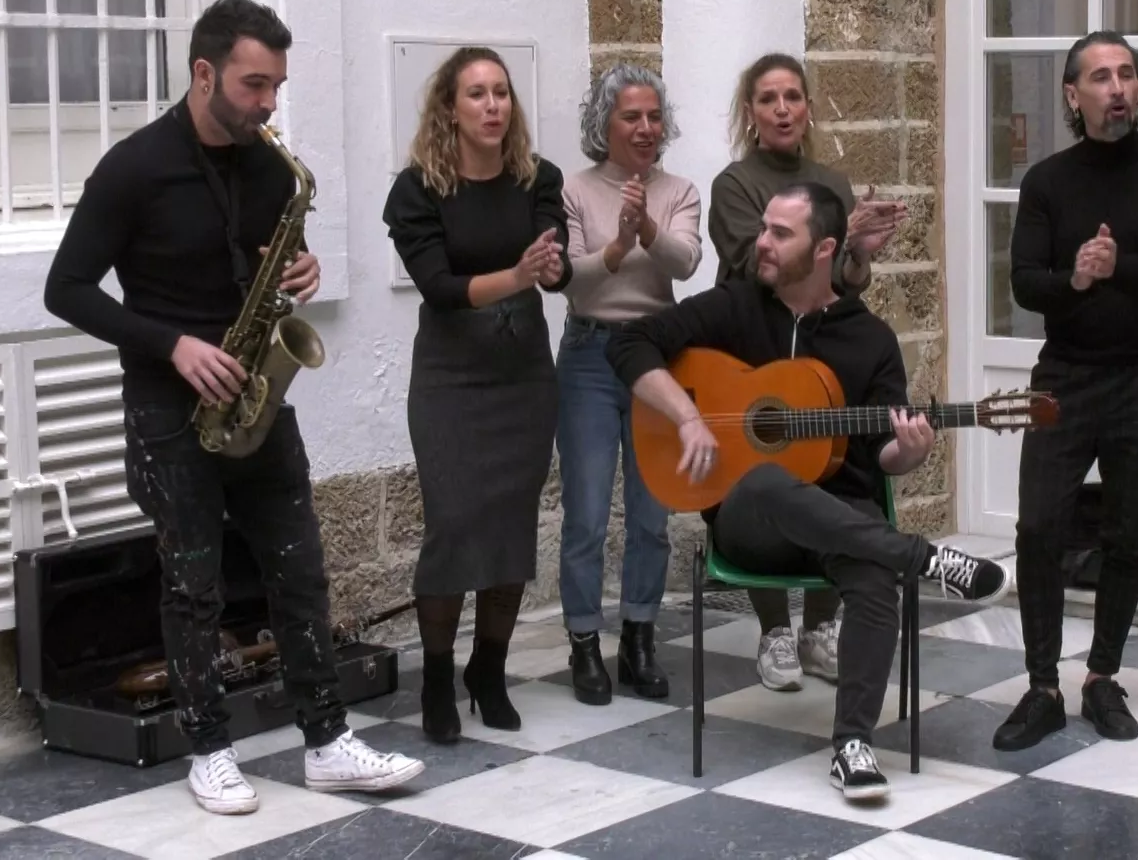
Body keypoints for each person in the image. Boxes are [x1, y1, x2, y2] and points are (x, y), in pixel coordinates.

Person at [43, 0, 424, 814]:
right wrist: (170, 344)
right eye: (256, 85)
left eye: (277, 87)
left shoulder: (267, 168)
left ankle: (326, 739)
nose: (269, 105)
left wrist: (301, 273)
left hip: (255, 395)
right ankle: (208, 749)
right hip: (168, 406)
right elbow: (65, 289)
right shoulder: (134, 167)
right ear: (204, 73)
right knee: (193, 588)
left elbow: (265, 262)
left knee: (300, 572)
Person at [607, 181, 1010, 800]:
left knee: (874, 581)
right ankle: (923, 558)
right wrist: (686, 417)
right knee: (768, 479)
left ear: (824, 249)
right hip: (751, 523)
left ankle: (852, 744)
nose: (760, 243)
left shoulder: (869, 339)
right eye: (764, 228)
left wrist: (912, 449)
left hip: (839, 517)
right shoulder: (735, 307)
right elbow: (628, 342)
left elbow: (885, 454)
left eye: (778, 233)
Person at [994, 30, 1138, 753]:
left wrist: (1117, 268)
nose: (1116, 88)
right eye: (1100, 77)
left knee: (1129, 533)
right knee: (1038, 529)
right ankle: (1042, 686)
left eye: (1127, 76)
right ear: (1073, 95)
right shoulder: (1049, 181)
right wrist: (1078, 280)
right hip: (1066, 375)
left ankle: (1101, 677)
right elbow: (1025, 283)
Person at [382, 47, 570, 743]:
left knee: (510, 528)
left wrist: (551, 269)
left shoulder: (537, 179)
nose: (493, 106)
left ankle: (487, 670)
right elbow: (439, 288)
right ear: (450, 110)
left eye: (502, 93)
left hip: (524, 376)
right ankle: (437, 674)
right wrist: (519, 273)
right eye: (477, 95)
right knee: (454, 526)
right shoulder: (418, 189)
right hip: (451, 381)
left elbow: (559, 273)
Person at [706, 52, 908, 691]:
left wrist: (857, 254)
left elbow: (842, 282)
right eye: (769, 99)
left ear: (809, 109)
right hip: (756, 350)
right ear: (752, 113)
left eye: (793, 96)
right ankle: (773, 632)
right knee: (762, 468)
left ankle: (821, 630)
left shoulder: (833, 182)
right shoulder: (734, 184)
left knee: (829, 467)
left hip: (820, 352)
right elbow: (751, 264)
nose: (784, 109)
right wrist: (834, 241)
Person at [555, 63, 702, 705]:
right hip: (589, 355)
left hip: (655, 357)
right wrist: (616, 245)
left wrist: (646, 229)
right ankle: (584, 641)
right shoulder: (575, 190)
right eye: (630, 117)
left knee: (651, 510)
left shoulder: (679, 190)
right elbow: (571, 278)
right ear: (603, 124)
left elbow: (687, 261)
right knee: (586, 512)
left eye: (653, 116)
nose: (646, 129)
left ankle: (638, 636)